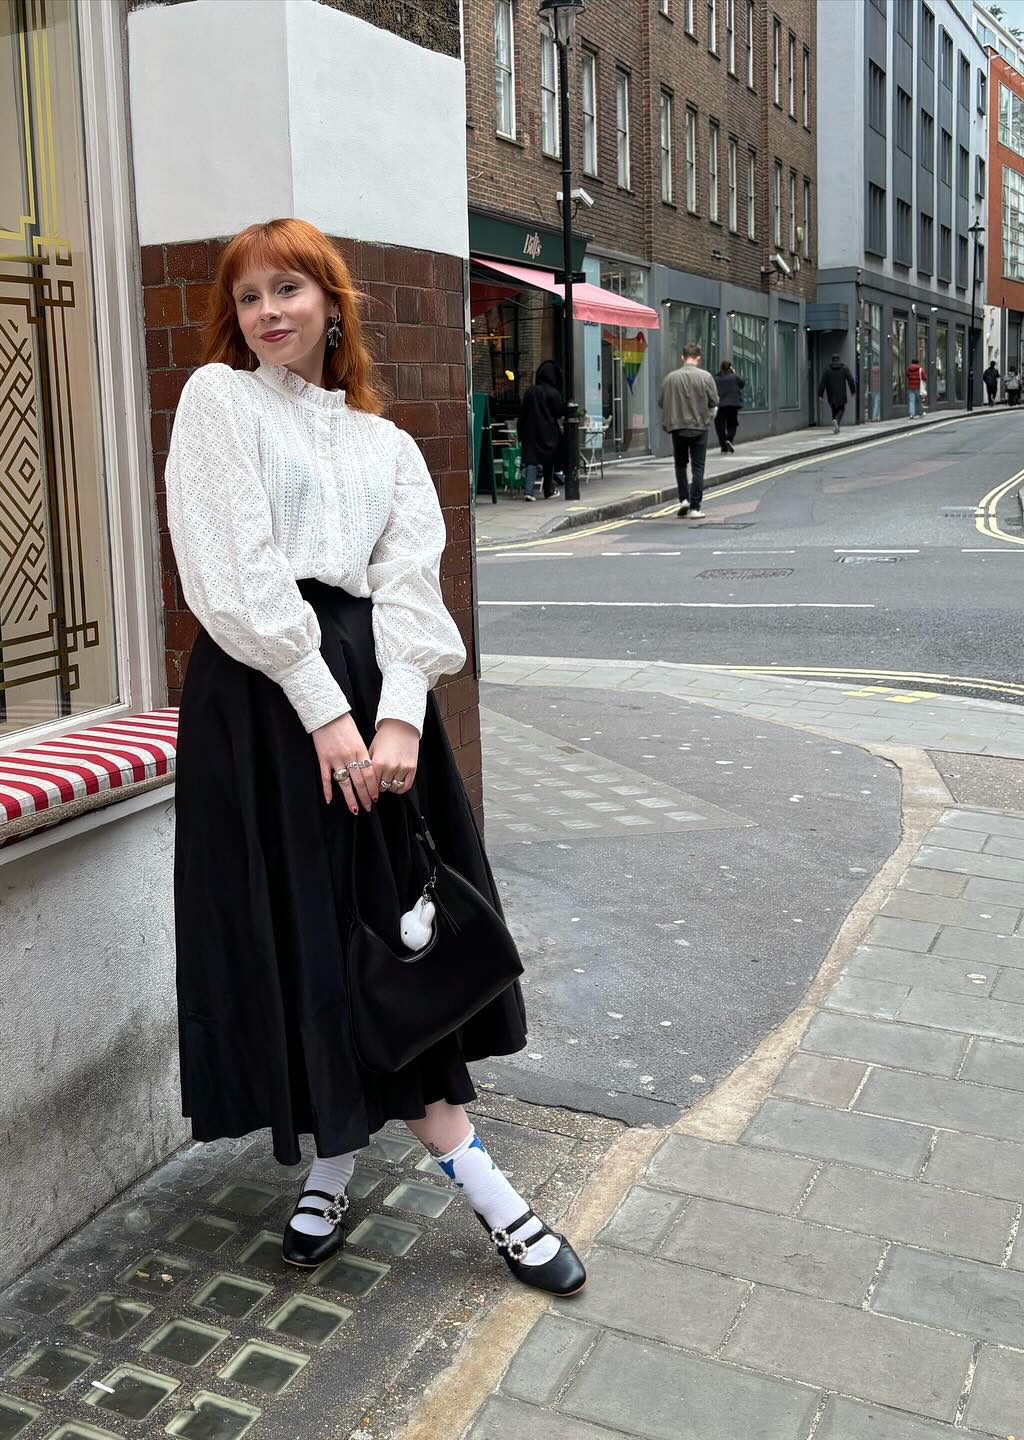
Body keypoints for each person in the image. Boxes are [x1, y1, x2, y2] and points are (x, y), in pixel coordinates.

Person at [163, 217, 585, 1297]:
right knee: (312, 941)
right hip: (266, 703)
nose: (268, 311)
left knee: (388, 936)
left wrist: (399, 715)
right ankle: (453, 1191)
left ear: (333, 303)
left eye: (289, 289)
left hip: (366, 691)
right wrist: (323, 711)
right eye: (250, 294)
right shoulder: (220, 401)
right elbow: (237, 574)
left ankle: (356, 1165)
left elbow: (411, 581)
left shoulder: (384, 442)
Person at [659, 342, 718, 518]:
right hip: (699, 426)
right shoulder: (706, 377)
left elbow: (661, 402)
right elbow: (714, 401)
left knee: (680, 464)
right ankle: (695, 507)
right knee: (698, 467)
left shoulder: (670, 378)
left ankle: (683, 499)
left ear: (682, 358)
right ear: (698, 358)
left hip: (678, 427)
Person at [517, 360, 565, 501]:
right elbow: (558, 412)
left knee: (531, 461)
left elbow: (523, 412)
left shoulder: (530, 391)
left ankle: (529, 491)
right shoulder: (553, 393)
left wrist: (520, 431)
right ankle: (548, 490)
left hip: (530, 431)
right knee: (548, 461)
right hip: (548, 431)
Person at [817, 353, 857, 433]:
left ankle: (836, 427)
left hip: (831, 394)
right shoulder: (844, 368)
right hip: (841, 394)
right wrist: (852, 390)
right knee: (841, 409)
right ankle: (836, 421)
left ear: (832, 360)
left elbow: (822, 382)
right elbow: (850, 379)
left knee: (834, 410)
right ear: (839, 360)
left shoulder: (827, 369)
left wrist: (820, 394)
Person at [712, 360, 744, 451]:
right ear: (730, 367)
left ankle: (723, 446)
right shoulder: (734, 377)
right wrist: (734, 373)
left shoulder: (715, 378)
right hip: (732, 405)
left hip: (719, 405)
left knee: (720, 426)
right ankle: (729, 439)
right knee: (732, 424)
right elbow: (742, 384)